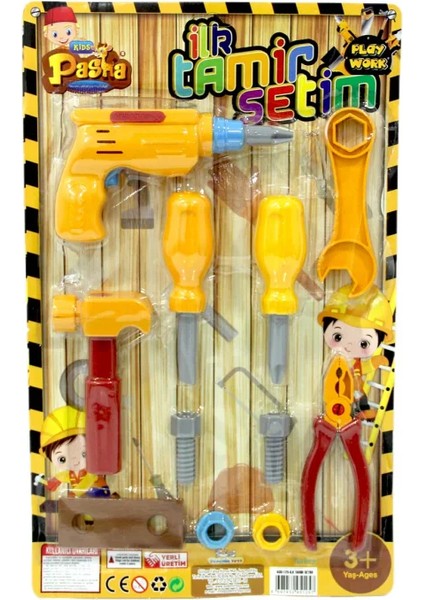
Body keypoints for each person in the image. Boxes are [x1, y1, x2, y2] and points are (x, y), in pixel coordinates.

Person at [318, 284, 394, 420]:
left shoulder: (355, 360)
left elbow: (362, 367)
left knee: (360, 397)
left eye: (363, 343)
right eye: (338, 336)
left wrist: (373, 362)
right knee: (351, 399)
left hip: (356, 388)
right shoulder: (338, 360)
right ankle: (351, 413)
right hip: (341, 390)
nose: (349, 346)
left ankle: (359, 412)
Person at [35, 405, 110, 498]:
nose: (75, 461)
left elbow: (88, 480)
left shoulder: (91, 471)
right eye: (62, 459)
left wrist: (75, 492)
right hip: (85, 498)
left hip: (99, 492)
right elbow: (64, 475)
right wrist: (55, 481)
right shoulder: (72, 473)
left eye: (84, 454)